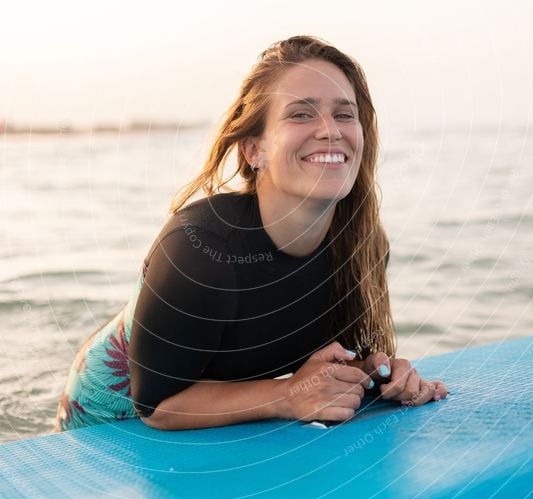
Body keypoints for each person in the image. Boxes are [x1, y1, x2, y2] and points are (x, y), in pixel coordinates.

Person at [53, 35, 447, 433]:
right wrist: (288, 396)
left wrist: (375, 374)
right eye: (301, 114)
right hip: (108, 419)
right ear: (253, 150)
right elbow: (157, 405)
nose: (330, 130)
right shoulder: (200, 247)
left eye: (345, 114)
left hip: (231, 407)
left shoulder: (362, 244)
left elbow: (321, 359)